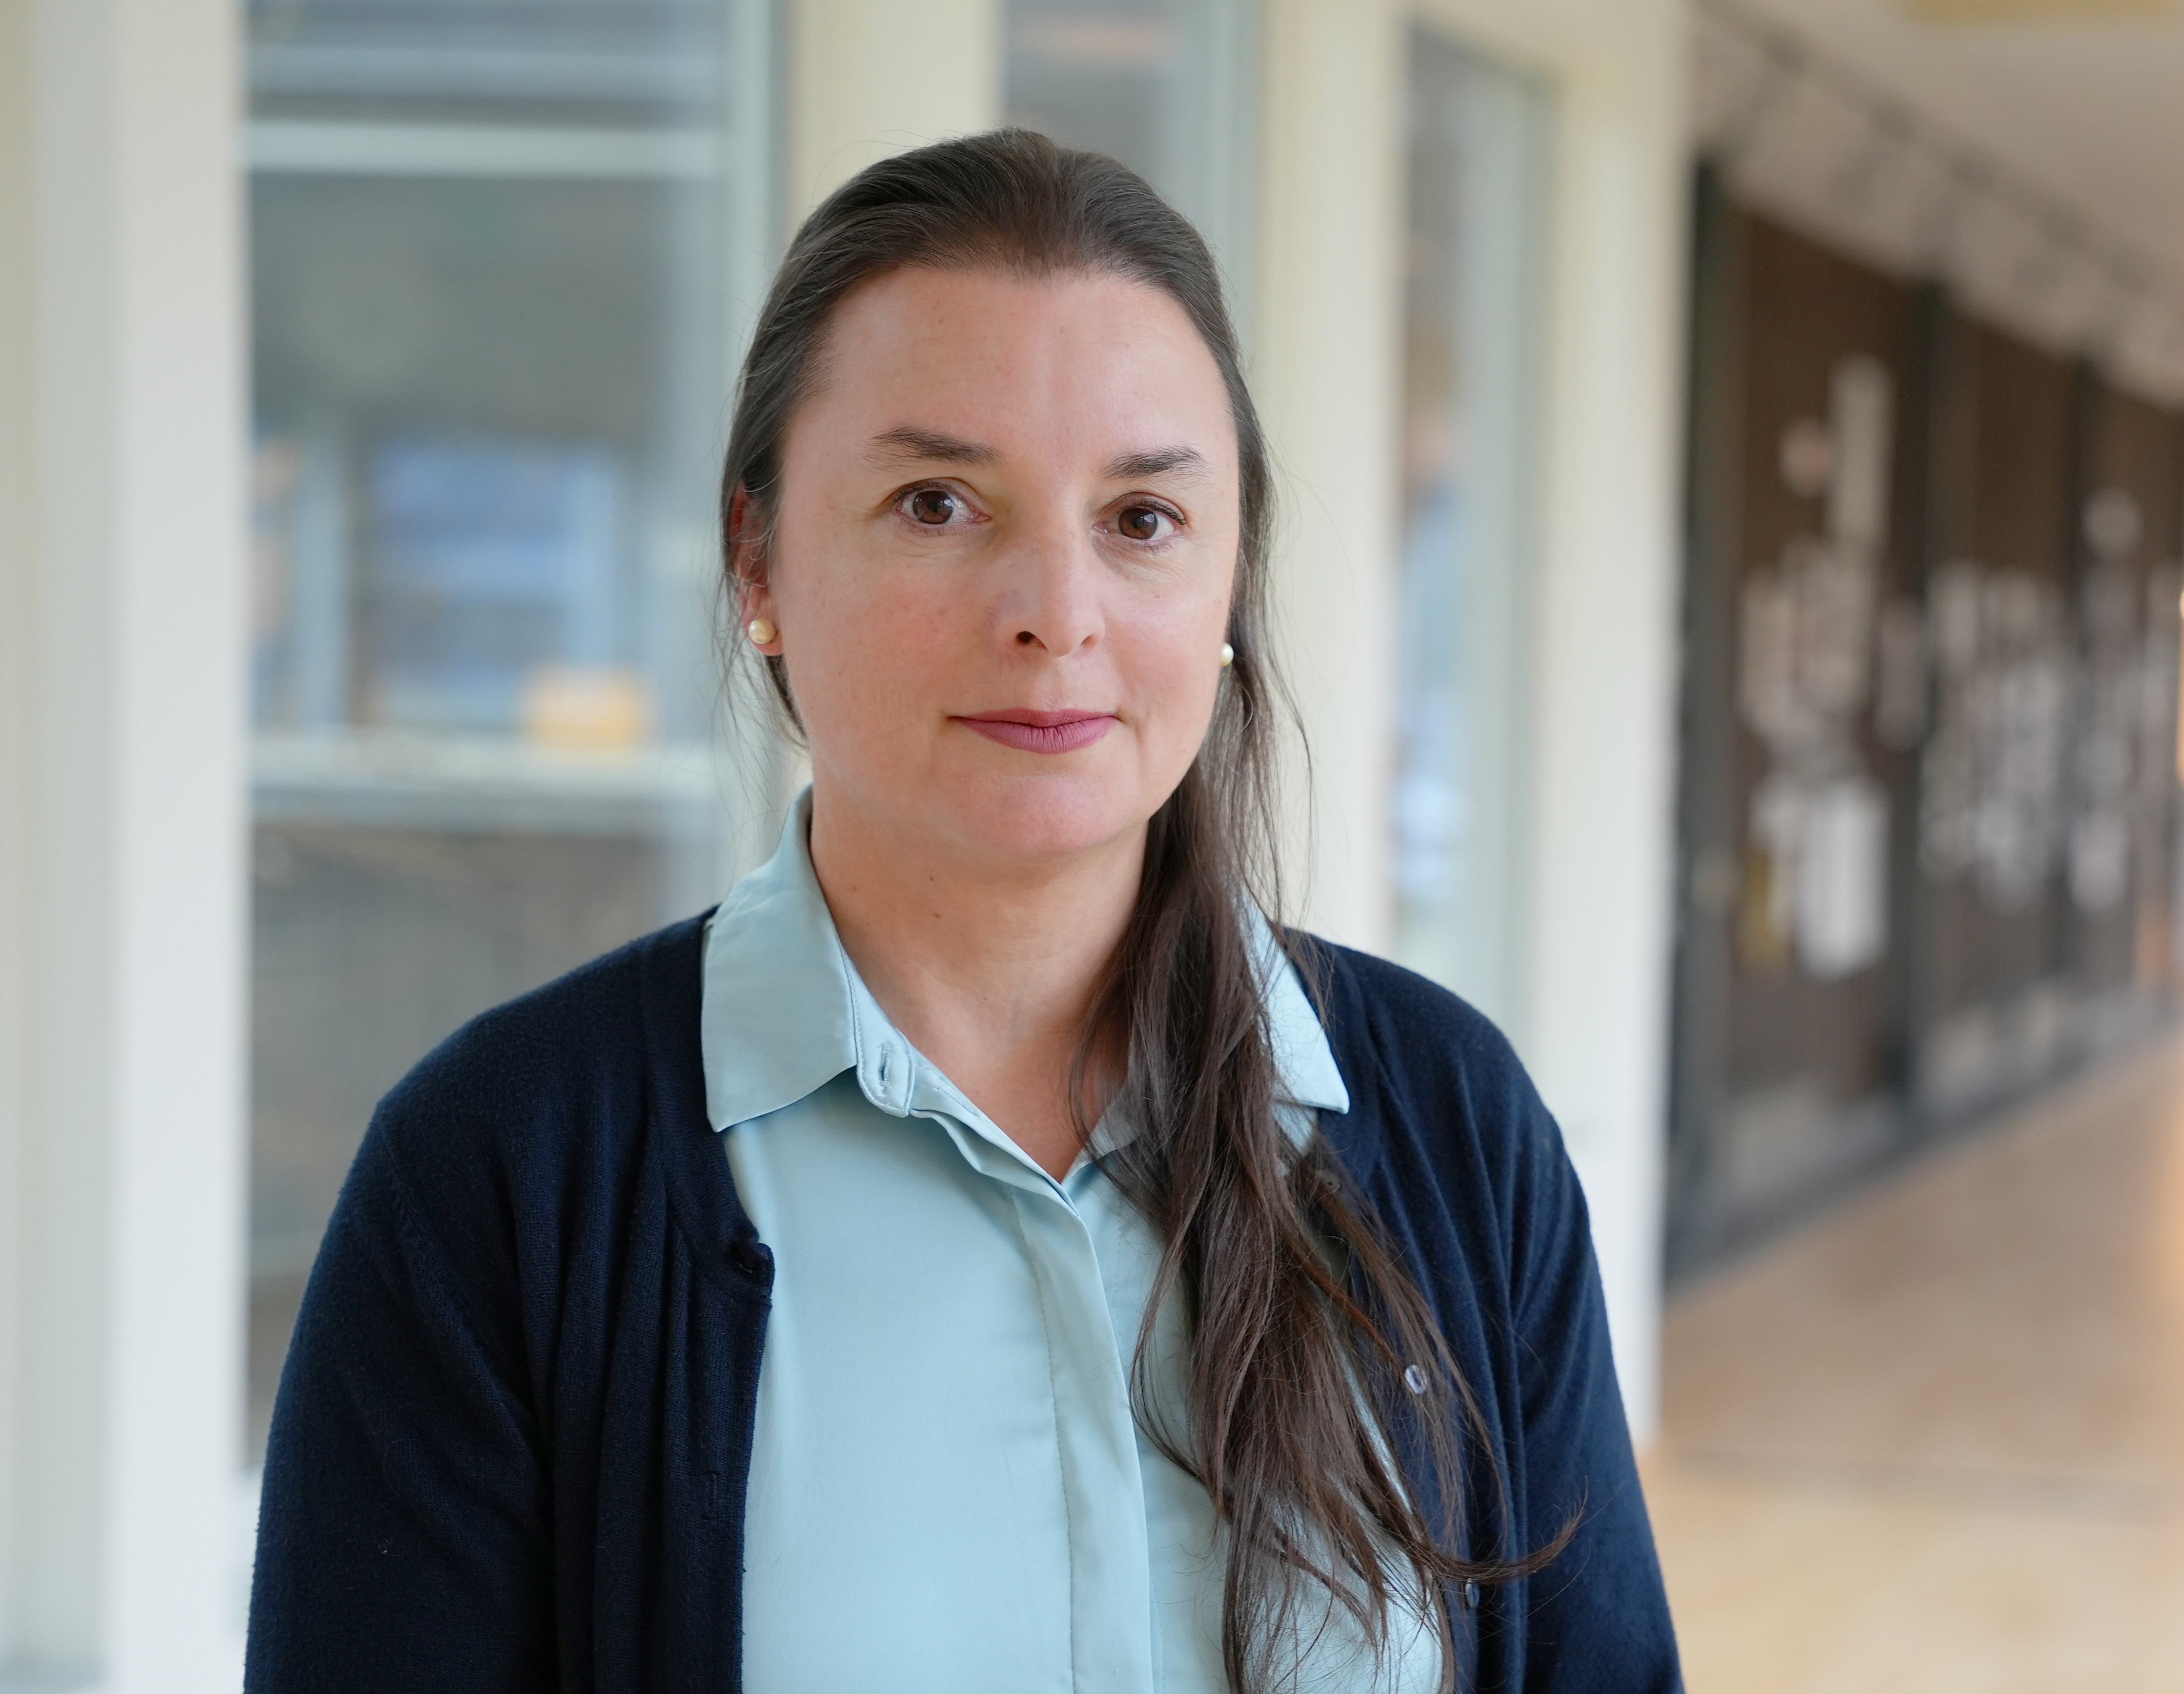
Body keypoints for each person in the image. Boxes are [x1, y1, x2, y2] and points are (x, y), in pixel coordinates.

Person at [244, 130, 1680, 1694]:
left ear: (1226, 587)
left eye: (1142, 522)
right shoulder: (499, 1179)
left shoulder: (1452, 1127)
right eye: (938, 503)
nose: (1055, 614)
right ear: (758, 559)